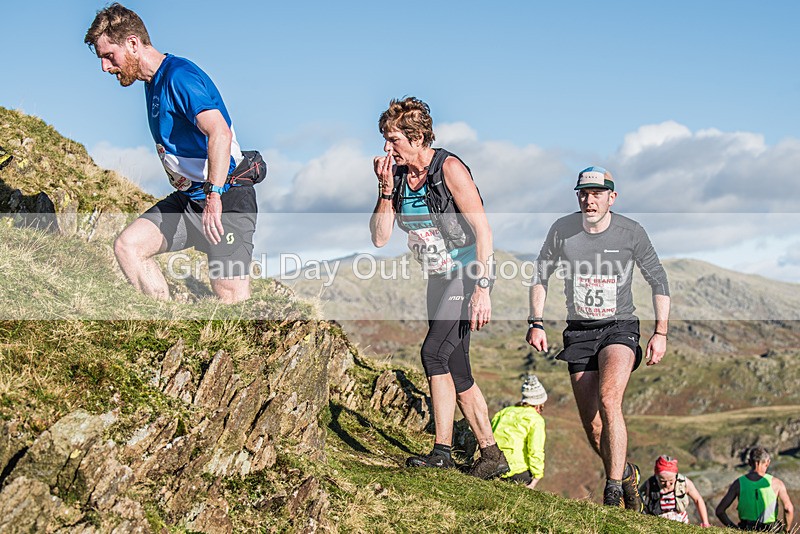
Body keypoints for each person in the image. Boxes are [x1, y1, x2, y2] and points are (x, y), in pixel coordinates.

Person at [369, 97, 508, 479]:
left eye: (393, 139)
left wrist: (483, 287)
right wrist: (383, 190)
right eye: (385, 138)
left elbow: (483, 230)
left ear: (417, 138)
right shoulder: (395, 176)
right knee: (457, 369)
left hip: (467, 272)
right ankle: (492, 456)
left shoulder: (449, 168)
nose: (387, 147)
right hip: (439, 277)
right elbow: (380, 238)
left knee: (433, 353)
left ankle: (442, 451)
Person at [85, 3, 257, 303]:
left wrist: (215, 196)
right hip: (191, 200)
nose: (105, 67)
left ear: (133, 43)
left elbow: (219, 132)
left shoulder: (179, 77)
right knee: (129, 247)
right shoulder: (151, 82)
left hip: (226, 196)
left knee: (230, 298)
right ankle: (164, 319)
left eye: (109, 56)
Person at [525, 166, 671, 509]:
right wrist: (536, 322)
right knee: (592, 426)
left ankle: (613, 490)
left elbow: (659, 280)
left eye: (597, 194)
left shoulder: (631, 232)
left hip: (619, 328)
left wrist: (660, 332)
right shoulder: (562, 230)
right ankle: (627, 475)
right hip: (579, 332)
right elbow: (540, 275)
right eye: (583, 194)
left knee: (609, 400)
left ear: (611, 197)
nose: (589, 201)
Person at [716, 447, 794, 532]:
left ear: (749, 462)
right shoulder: (777, 484)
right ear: (768, 462)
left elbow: (720, 511)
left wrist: (735, 529)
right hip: (770, 530)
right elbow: (788, 509)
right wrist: (787, 530)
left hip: (746, 528)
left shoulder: (738, 483)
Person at [491, 375, 547, 489]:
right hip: (518, 472)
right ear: (538, 405)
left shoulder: (503, 412)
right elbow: (535, 450)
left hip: (495, 467)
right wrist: (537, 476)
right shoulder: (536, 420)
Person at [640, 455, 711, 526]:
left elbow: (698, 499)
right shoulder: (649, 484)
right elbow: (637, 498)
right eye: (662, 481)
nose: (667, 484)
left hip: (681, 523)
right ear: (656, 475)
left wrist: (705, 522)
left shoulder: (683, 483)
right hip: (658, 523)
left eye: (671, 480)